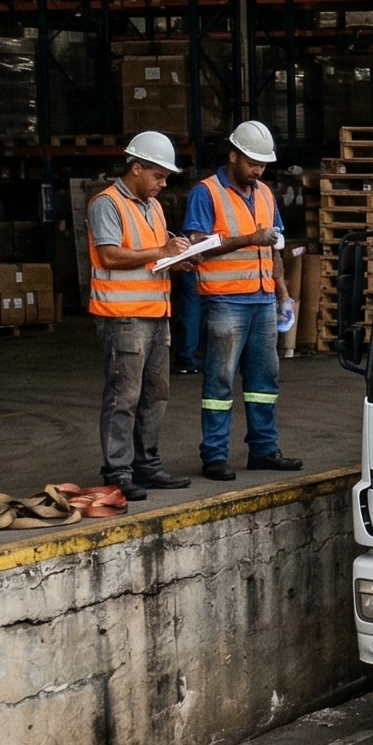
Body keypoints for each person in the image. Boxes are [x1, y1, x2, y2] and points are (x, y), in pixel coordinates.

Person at [184, 120, 304, 481]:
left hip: (263, 300)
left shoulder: (265, 194)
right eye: (252, 163)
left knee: (264, 380)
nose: (258, 171)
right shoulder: (206, 192)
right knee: (219, 381)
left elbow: (274, 249)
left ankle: (264, 450)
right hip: (225, 301)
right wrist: (250, 237)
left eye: (263, 165)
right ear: (233, 155)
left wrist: (283, 294)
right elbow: (197, 246)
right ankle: (214, 455)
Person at [89, 133, 195, 501]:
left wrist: (178, 259)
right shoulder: (107, 204)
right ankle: (117, 471)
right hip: (123, 317)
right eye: (158, 176)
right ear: (136, 169)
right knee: (124, 397)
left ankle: (146, 465)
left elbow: (152, 256)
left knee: (155, 395)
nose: (163, 184)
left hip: (155, 315)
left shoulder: (153, 207)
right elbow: (110, 256)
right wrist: (162, 252)